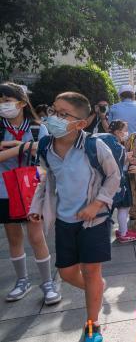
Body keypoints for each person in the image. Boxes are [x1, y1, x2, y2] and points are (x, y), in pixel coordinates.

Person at [29, 92, 120, 342]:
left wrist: (97, 203)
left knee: (91, 271)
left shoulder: (94, 146)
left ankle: (93, 326)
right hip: (64, 221)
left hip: (95, 220)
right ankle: (96, 289)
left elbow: (114, 177)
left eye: (62, 114)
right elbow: (45, 177)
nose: (53, 118)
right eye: (53, 111)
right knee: (67, 273)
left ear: (80, 123)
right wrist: (36, 206)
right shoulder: (46, 147)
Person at [0, 82, 60, 305]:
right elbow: (29, 148)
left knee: (36, 236)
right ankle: (22, 281)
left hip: (31, 189)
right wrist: (22, 147)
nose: (3, 106)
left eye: (6, 101)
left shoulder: (37, 127)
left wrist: (18, 146)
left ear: (22, 103)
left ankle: (47, 283)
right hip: (4, 190)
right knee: (13, 237)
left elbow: (46, 153)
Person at [107, 120, 136, 243]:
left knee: (110, 209)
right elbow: (120, 165)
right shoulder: (118, 146)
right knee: (124, 208)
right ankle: (123, 233)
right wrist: (127, 158)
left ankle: (112, 232)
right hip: (120, 180)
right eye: (125, 130)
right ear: (117, 132)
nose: (127, 132)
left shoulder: (106, 143)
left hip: (109, 181)